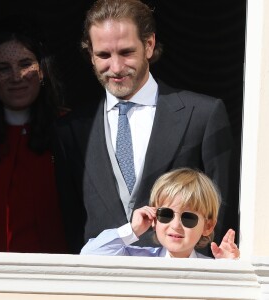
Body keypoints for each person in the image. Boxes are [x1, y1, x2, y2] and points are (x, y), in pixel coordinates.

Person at [53, 0, 235, 253]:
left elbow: (220, 210)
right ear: (91, 56)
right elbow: (70, 221)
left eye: (126, 52)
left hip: (180, 283)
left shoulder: (202, 115)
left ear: (149, 45)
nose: (115, 67)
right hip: (98, 284)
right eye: (104, 55)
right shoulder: (71, 130)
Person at [0, 16, 71, 253]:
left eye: (26, 64)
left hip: (58, 276)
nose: (16, 77)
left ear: (42, 71)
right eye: (3, 68)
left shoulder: (71, 130)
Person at [81, 168, 240, 259]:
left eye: (188, 218)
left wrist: (227, 269)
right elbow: (90, 254)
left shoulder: (211, 267)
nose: (176, 225)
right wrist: (133, 229)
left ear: (208, 226)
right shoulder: (138, 259)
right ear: (154, 219)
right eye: (166, 215)